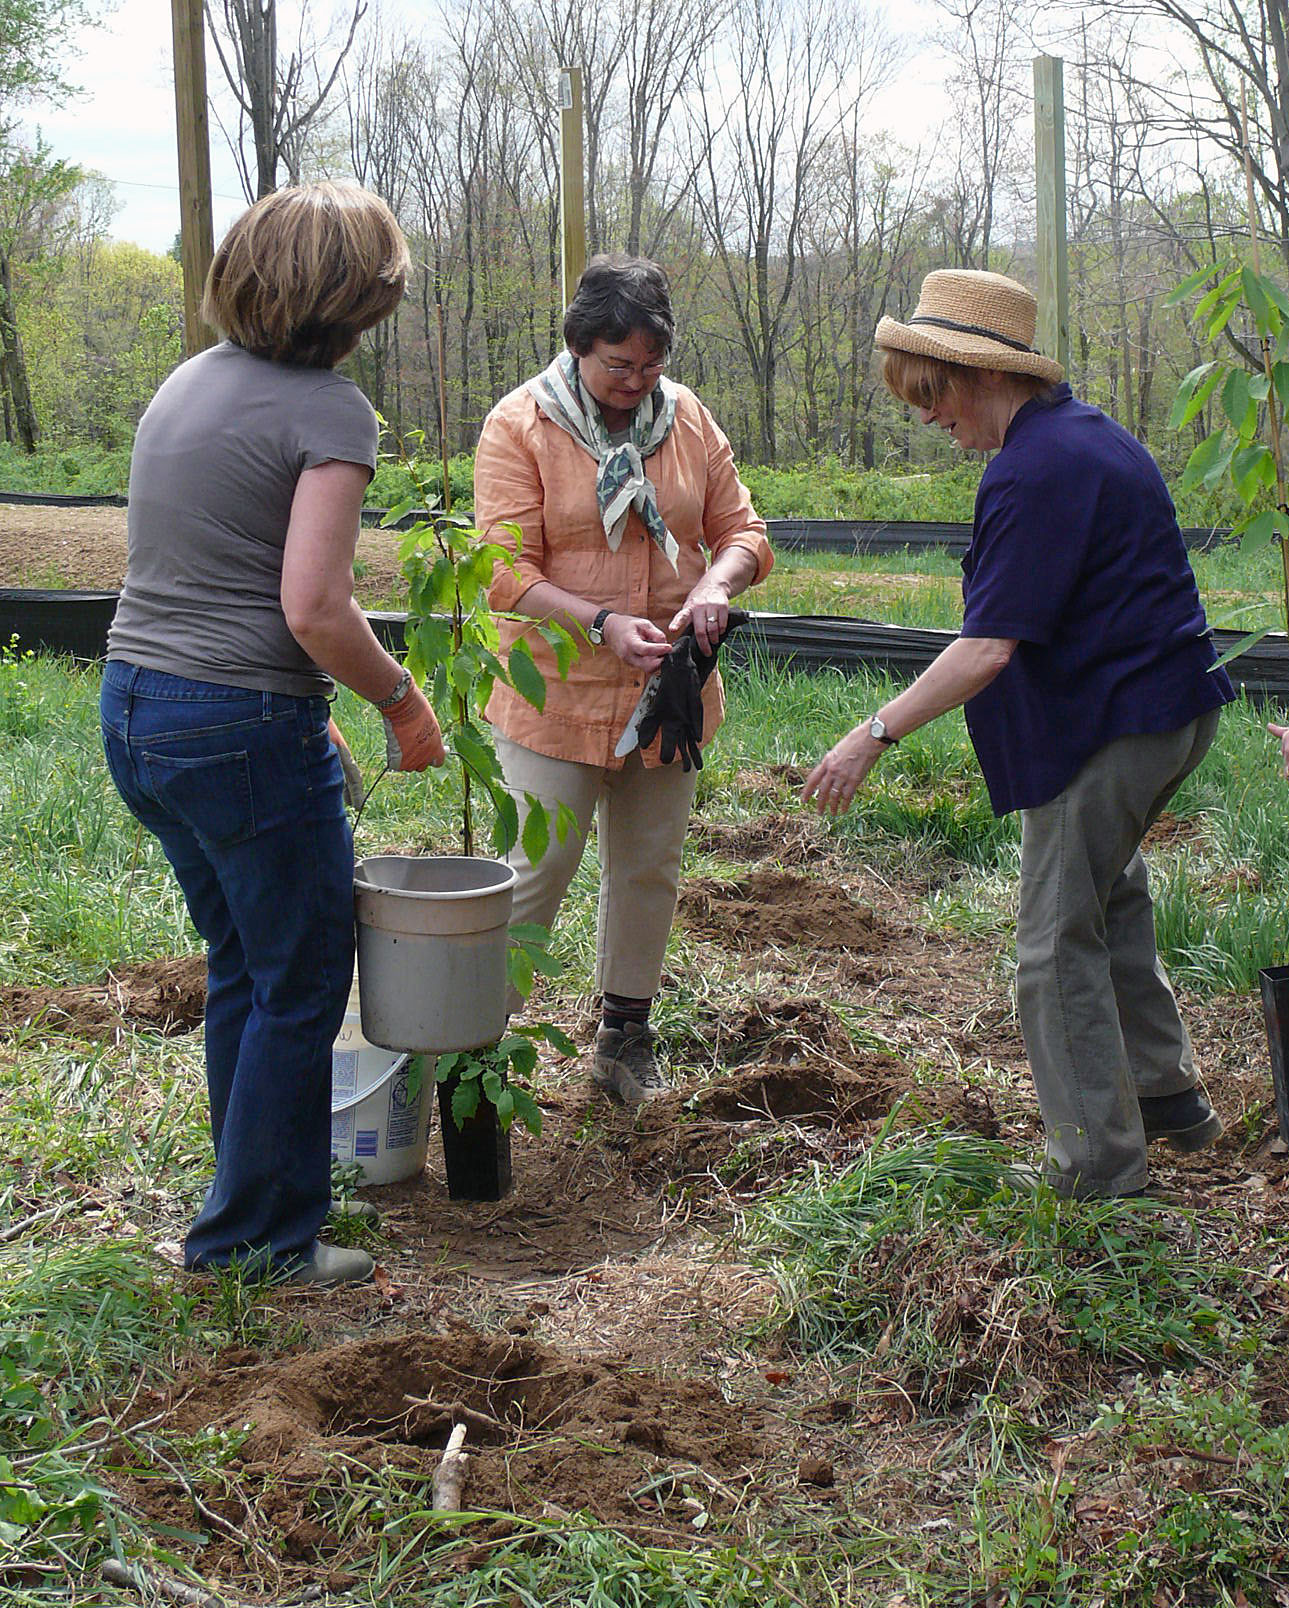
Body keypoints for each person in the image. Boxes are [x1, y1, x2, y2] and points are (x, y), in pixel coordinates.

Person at [804, 268, 1233, 1200]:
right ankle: (1167, 1102)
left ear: (981, 375)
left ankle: (1094, 1168)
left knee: (1049, 945)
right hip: (1167, 709)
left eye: (928, 393)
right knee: (1109, 902)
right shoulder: (1091, 439)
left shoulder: (1035, 469)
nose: (925, 418)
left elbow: (987, 649)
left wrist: (870, 732)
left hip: (1112, 724)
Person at [100, 182, 444, 1285]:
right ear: (353, 296)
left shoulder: (189, 381)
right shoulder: (329, 411)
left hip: (139, 706)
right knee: (299, 979)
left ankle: (244, 1208)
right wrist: (396, 698)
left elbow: (218, 575)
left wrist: (308, 713)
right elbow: (312, 606)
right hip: (236, 723)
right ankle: (259, 1241)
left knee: (247, 965)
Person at [473, 254, 773, 1104]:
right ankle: (476, 1049)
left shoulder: (685, 421)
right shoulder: (522, 424)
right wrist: (598, 622)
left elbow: (743, 528)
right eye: (617, 365)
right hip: (555, 691)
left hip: (668, 691)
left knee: (648, 865)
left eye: (649, 366)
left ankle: (622, 1038)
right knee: (535, 867)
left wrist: (717, 582)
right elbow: (501, 570)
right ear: (577, 349)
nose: (634, 383)